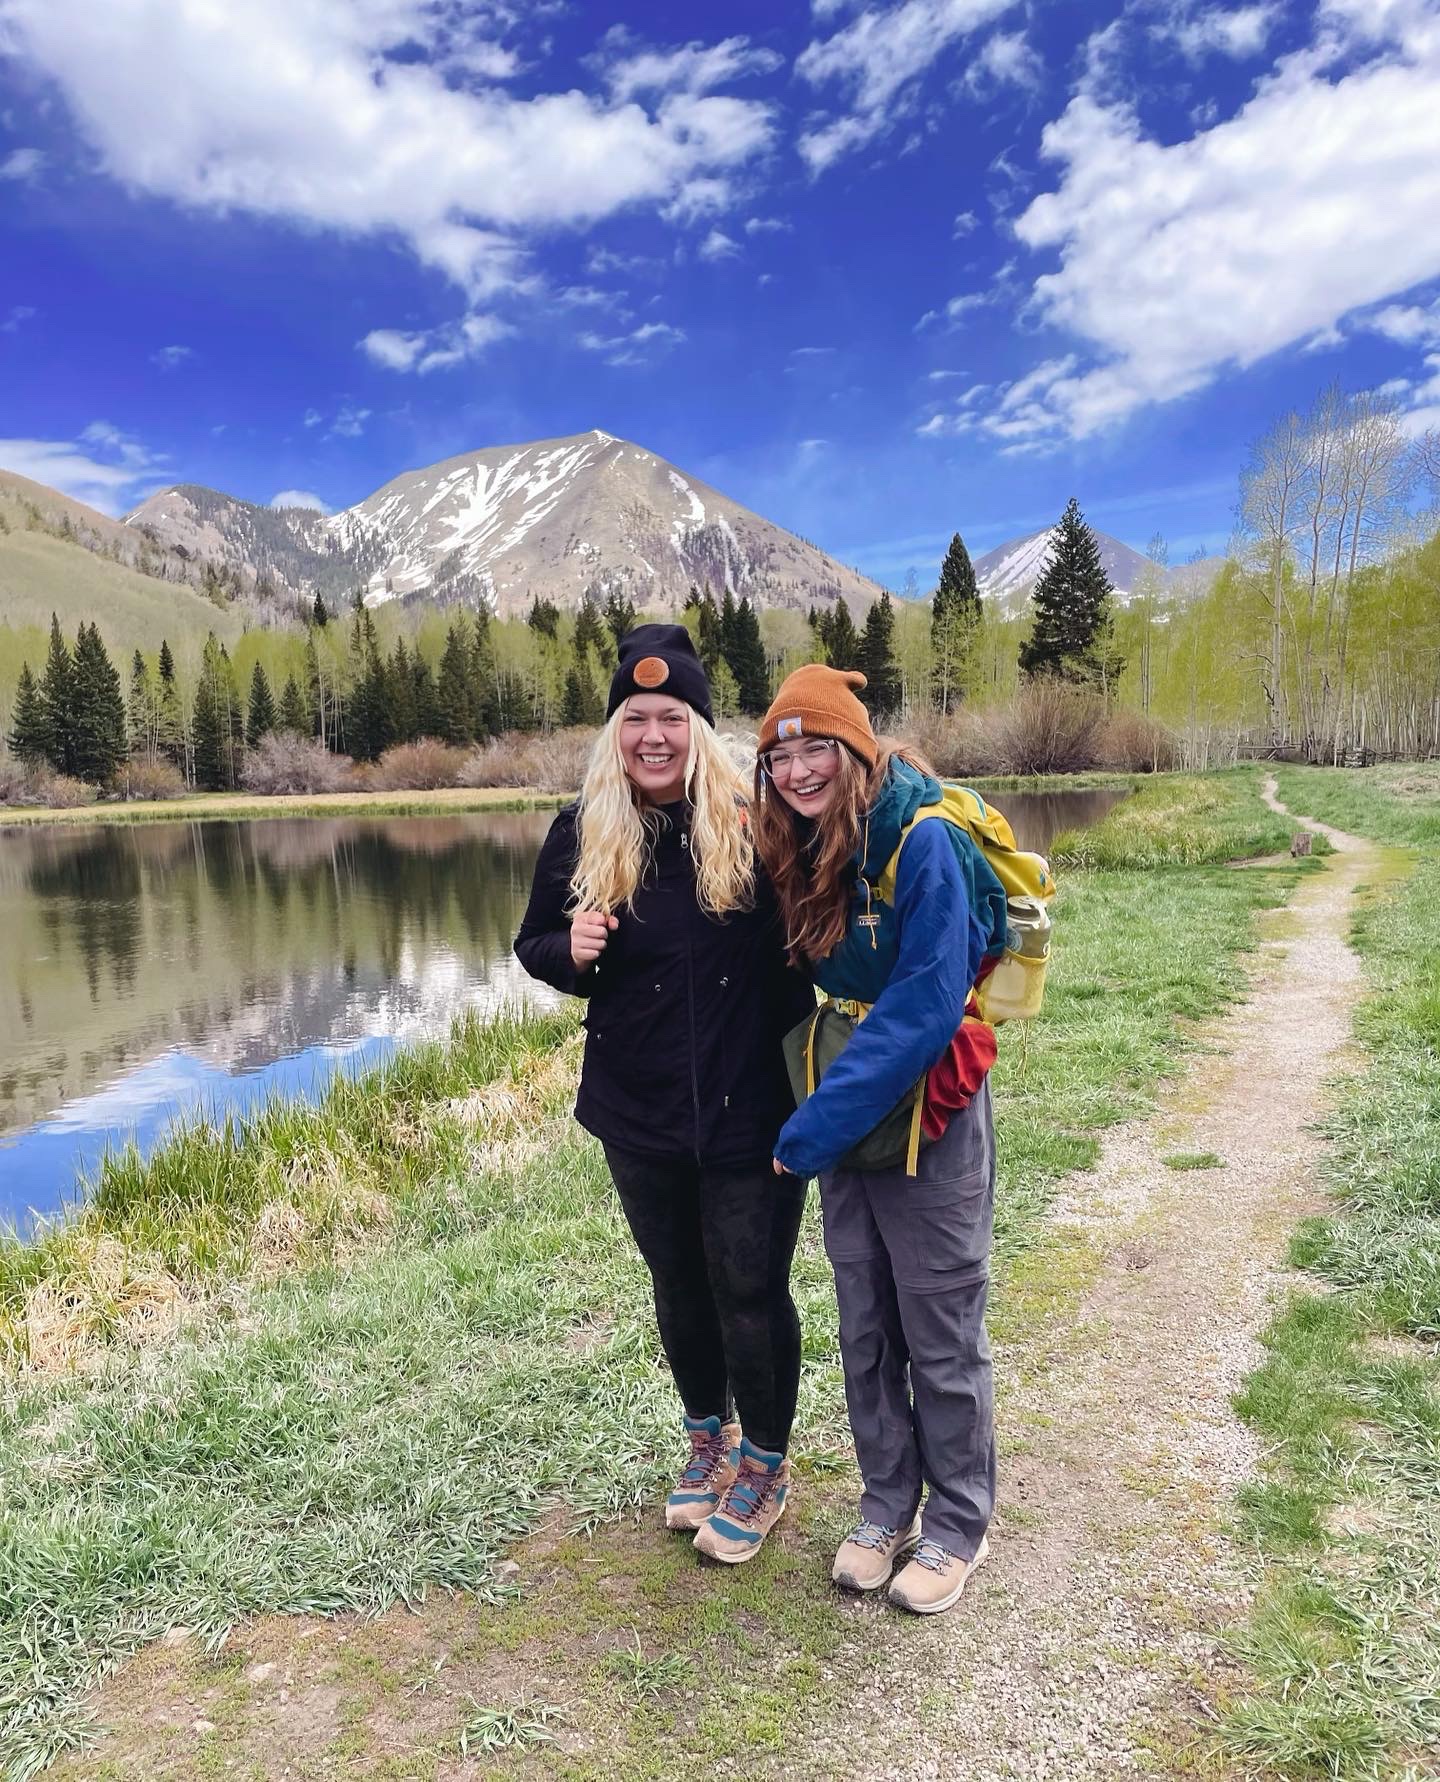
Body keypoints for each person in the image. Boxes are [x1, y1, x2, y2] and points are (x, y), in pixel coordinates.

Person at [514, 624, 816, 1565]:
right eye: (635, 718)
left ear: (698, 726)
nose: (653, 735)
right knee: (678, 1283)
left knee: (750, 1286)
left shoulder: (756, 820)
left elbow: (824, 932)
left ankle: (764, 1464)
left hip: (752, 1105)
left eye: (671, 717)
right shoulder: (582, 828)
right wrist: (572, 954)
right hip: (637, 1112)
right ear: (615, 732)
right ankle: (706, 1438)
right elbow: (532, 946)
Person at [752, 662, 998, 1615]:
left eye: (819, 746)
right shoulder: (802, 837)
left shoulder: (926, 840)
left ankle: (958, 1522)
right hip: (855, 1112)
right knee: (866, 1322)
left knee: (939, 1326)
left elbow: (924, 1007)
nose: (800, 769)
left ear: (857, 747)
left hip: (925, 1107)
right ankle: (887, 1500)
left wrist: (809, 1128)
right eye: (781, 753)